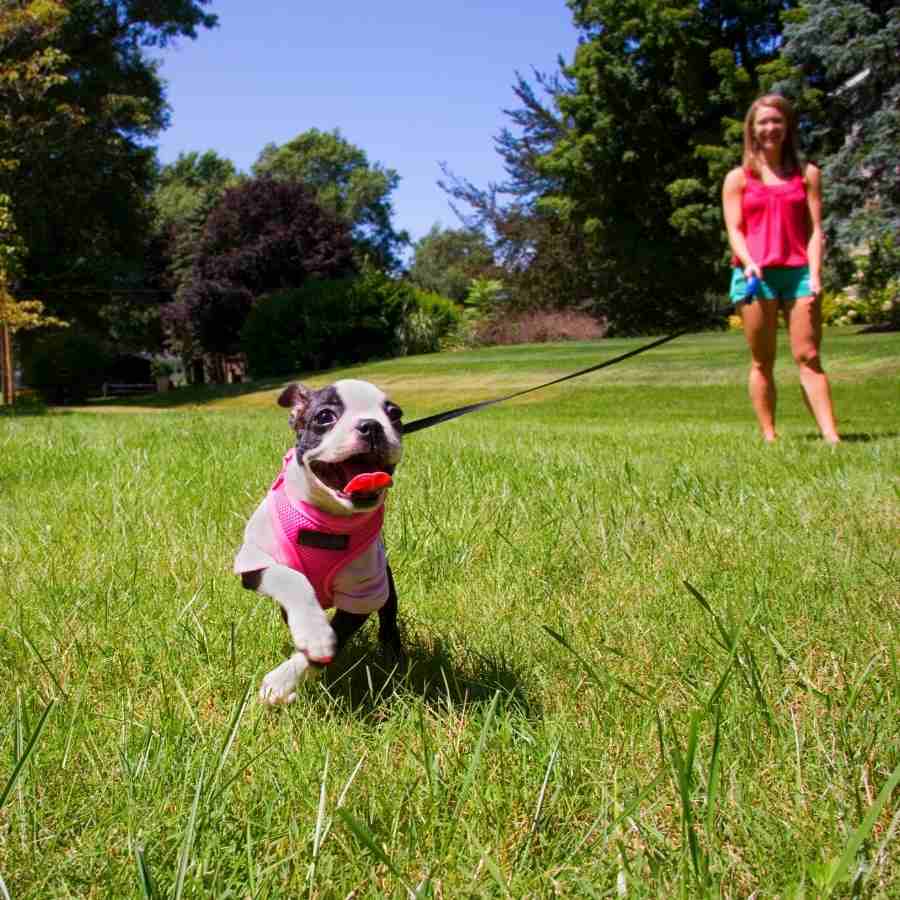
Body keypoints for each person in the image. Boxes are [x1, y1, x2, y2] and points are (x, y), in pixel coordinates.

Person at [722, 94, 840, 444]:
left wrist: (816, 274)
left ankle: (831, 435)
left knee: (809, 355)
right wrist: (749, 261)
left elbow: (816, 229)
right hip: (755, 277)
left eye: (777, 121)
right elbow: (735, 229)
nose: (770, 128)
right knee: (763, 359)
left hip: (799, 271)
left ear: (787, 127)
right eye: (763, 122)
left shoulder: (807, 175)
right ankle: (770, 435)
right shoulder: (738, 179)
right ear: (752, 129)